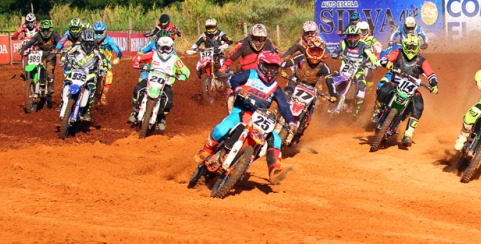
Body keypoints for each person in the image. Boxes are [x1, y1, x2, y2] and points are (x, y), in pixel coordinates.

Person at [194, 52, 295, 184]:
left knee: (275, 138)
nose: (271, 71)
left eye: (274, 68)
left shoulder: (275, 88)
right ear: (260, 64)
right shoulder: (250, 74)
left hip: (259, 118)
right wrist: (237, 89)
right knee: (222, 129)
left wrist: (291, 122)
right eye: (268, 67)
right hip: (241, 111)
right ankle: (206, 150)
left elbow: (284, 106)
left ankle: (274, 169)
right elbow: (232, 80)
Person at [372, 34, 439, 147]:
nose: (410, 49)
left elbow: (430, 74)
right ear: (404, 45)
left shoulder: (421, 60)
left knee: (419, 105)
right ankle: (378, 111)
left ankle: (408, 134)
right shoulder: (398, 53)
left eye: (413, 47)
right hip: (396, 82)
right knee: (382, 89)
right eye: (408, 47)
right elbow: (385, 59)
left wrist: (434, 85)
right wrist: (386, 62)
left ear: (417, 47)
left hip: (411, 88)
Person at [129, 36, 190, 130]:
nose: (165, 51)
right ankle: (134, 111)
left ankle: (162, 118)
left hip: (166, 84)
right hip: (151, 79)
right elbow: (139, 57)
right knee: (138, 88)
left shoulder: (175, 59)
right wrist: (136, 62)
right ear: (158, 47)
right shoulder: (153, 54)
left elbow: (186, 70)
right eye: (163, 48)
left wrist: (183, 75)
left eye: (167, 48)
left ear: (171, 48)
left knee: (169, 101)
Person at [280, 37, 333, 144]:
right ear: (308, 49)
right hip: (295, 82)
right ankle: (275, 116)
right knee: (285, 96)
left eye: (318, 52)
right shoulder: (301, 57)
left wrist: (333, 94)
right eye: (313, 51)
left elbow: (330, 81)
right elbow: (285, 63)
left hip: (310, 89)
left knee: (310, 110)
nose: (314, 55)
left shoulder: (324, 66)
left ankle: (299, 133)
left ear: (323, 53)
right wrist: (283, 70)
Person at [326, 24, 380, 117]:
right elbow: (335, 51)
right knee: (329, 79)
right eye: (350, 36)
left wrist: (375, 63)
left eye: (355, 36)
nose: (352, 39)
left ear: (359, 36)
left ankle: (356, 111)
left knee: (362, 86)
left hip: (358, 71)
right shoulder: (344, 42)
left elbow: (371, 55)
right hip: (344, 68)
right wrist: (335, 54)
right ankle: (331, 97)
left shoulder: (363, 45)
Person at [62, 29, 105, 122]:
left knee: (92, 88)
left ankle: (87, 111)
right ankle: (63, 101)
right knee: (66, 81)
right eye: (86, 42)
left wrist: (103, 68)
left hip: (90, 73)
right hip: (76, 70)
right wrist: (64, 58)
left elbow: (103, 60)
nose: (88, 45)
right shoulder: (76, 47)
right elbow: (66, 52)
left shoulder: (97, 51)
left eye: (90, 43)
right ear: (82, 41)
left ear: (94, 42)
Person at [18, 19, 61, 105]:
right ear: (40, 29)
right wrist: (23, 48)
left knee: (49, 70)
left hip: (51, 54)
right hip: (41, 53)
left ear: (50, 29)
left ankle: (50, 88)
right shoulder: (38, 35)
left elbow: (60, 42)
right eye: (43, 30)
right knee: (35, 65)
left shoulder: (55, 35)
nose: (45, 32)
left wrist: (58, 50)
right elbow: (31, 42)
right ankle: (34, 82)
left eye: (47, 29)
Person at [93, 21, 123, 106]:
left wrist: (117, 58)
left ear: (104, 31)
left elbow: (118, 51)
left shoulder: (109, 40)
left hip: (105, 65)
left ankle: (103, 95)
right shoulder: (91, 40)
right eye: (96, 32)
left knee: (109, 76)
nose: (98, 35)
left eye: (100, 32)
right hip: (92, 63)